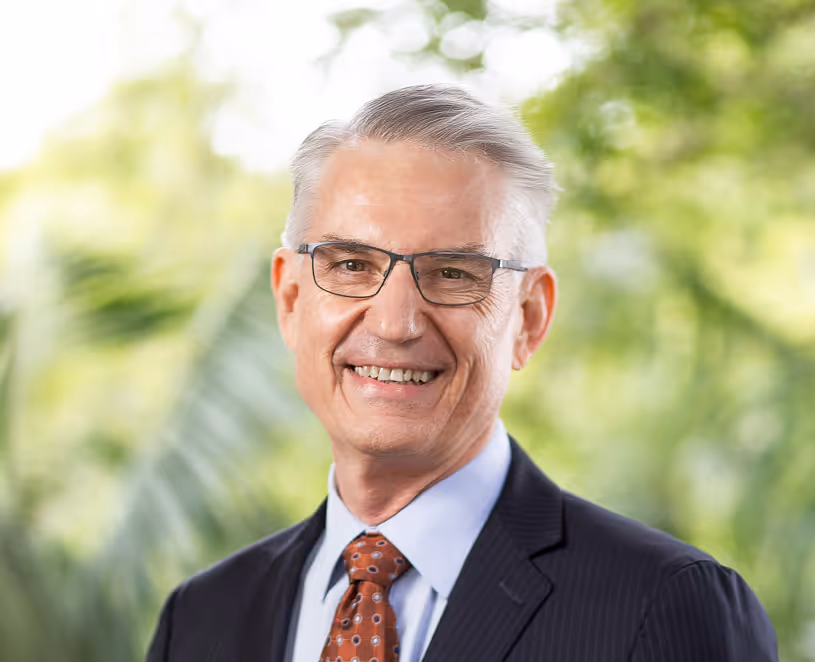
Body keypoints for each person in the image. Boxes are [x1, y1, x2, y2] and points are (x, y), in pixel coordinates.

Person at [146, 84, 778, 662]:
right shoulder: (201, 619)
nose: (395, 324)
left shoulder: (665, 605)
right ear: (289, 300)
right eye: (350, 266)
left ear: (529, 318)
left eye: (452, 273)